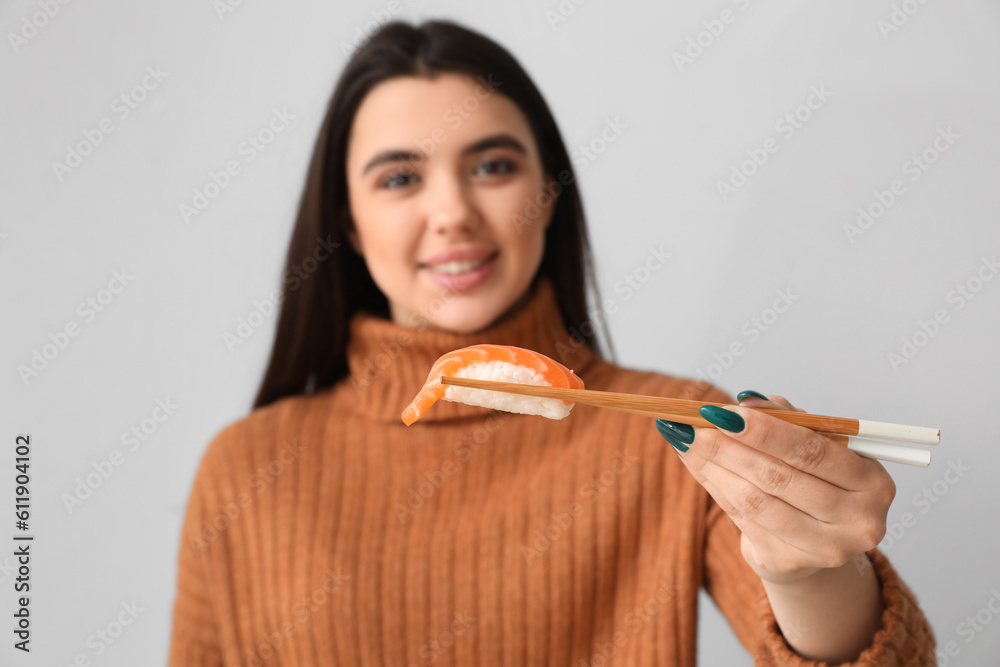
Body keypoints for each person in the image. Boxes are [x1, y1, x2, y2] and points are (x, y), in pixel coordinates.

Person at [168, 19, 935, 666]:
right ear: (346, 221)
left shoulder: (679, 427)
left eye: (493, 165)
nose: (454, 211)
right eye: (400, 178)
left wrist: (813, 573)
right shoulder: (244, 467)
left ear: (550, 194)